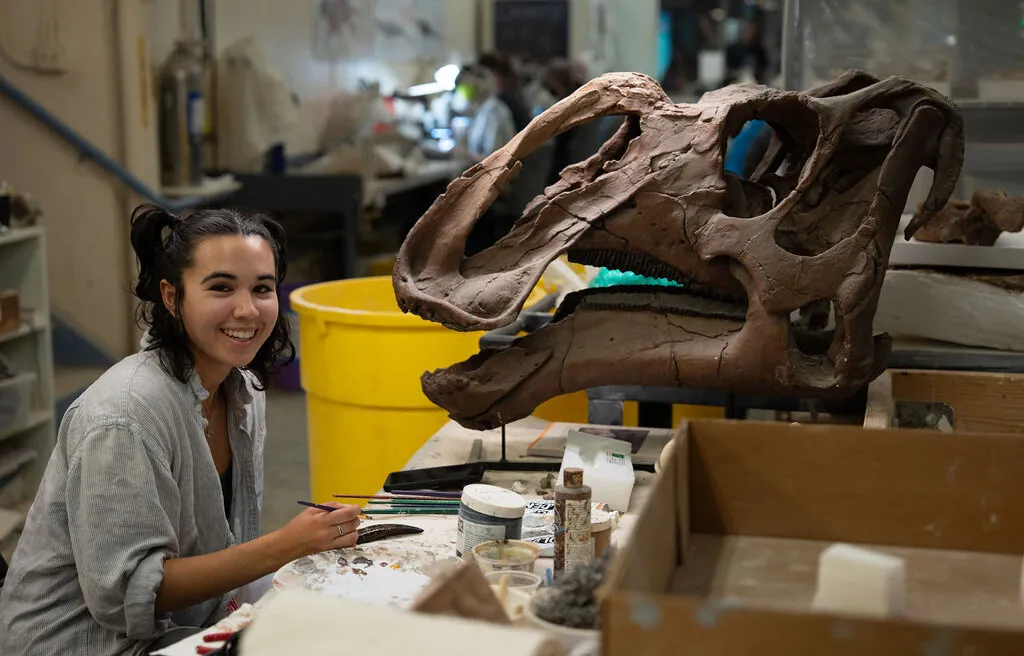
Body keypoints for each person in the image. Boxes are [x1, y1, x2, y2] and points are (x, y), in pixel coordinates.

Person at [0, 205, 363, 655]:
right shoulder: (126, 414)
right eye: (221, 287)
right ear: (172, 297)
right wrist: (284, 545)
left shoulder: (243, 389)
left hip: (191, 620)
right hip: (88, 645)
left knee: (355, 609)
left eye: (262, 288)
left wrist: (297, 547)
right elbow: (128, 596)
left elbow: (224, 551)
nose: (247, 310)